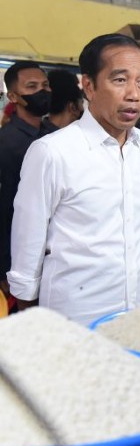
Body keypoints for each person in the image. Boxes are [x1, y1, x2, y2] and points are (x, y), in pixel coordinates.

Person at [7, 34, 140, 326]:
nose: (134, 94)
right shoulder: (52, 152)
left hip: (136, 315)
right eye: (119, 80)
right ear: (88, 86)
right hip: (74, 319)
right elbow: (28, 242)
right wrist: (33, 318)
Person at [0, 61, 52, 304]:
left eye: (45, 85)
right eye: (32, 86)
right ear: (13, 96)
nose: (42, 92)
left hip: (54, 256)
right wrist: (4, 267)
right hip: (19, 258)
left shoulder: (53, 136)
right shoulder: (6, 143)